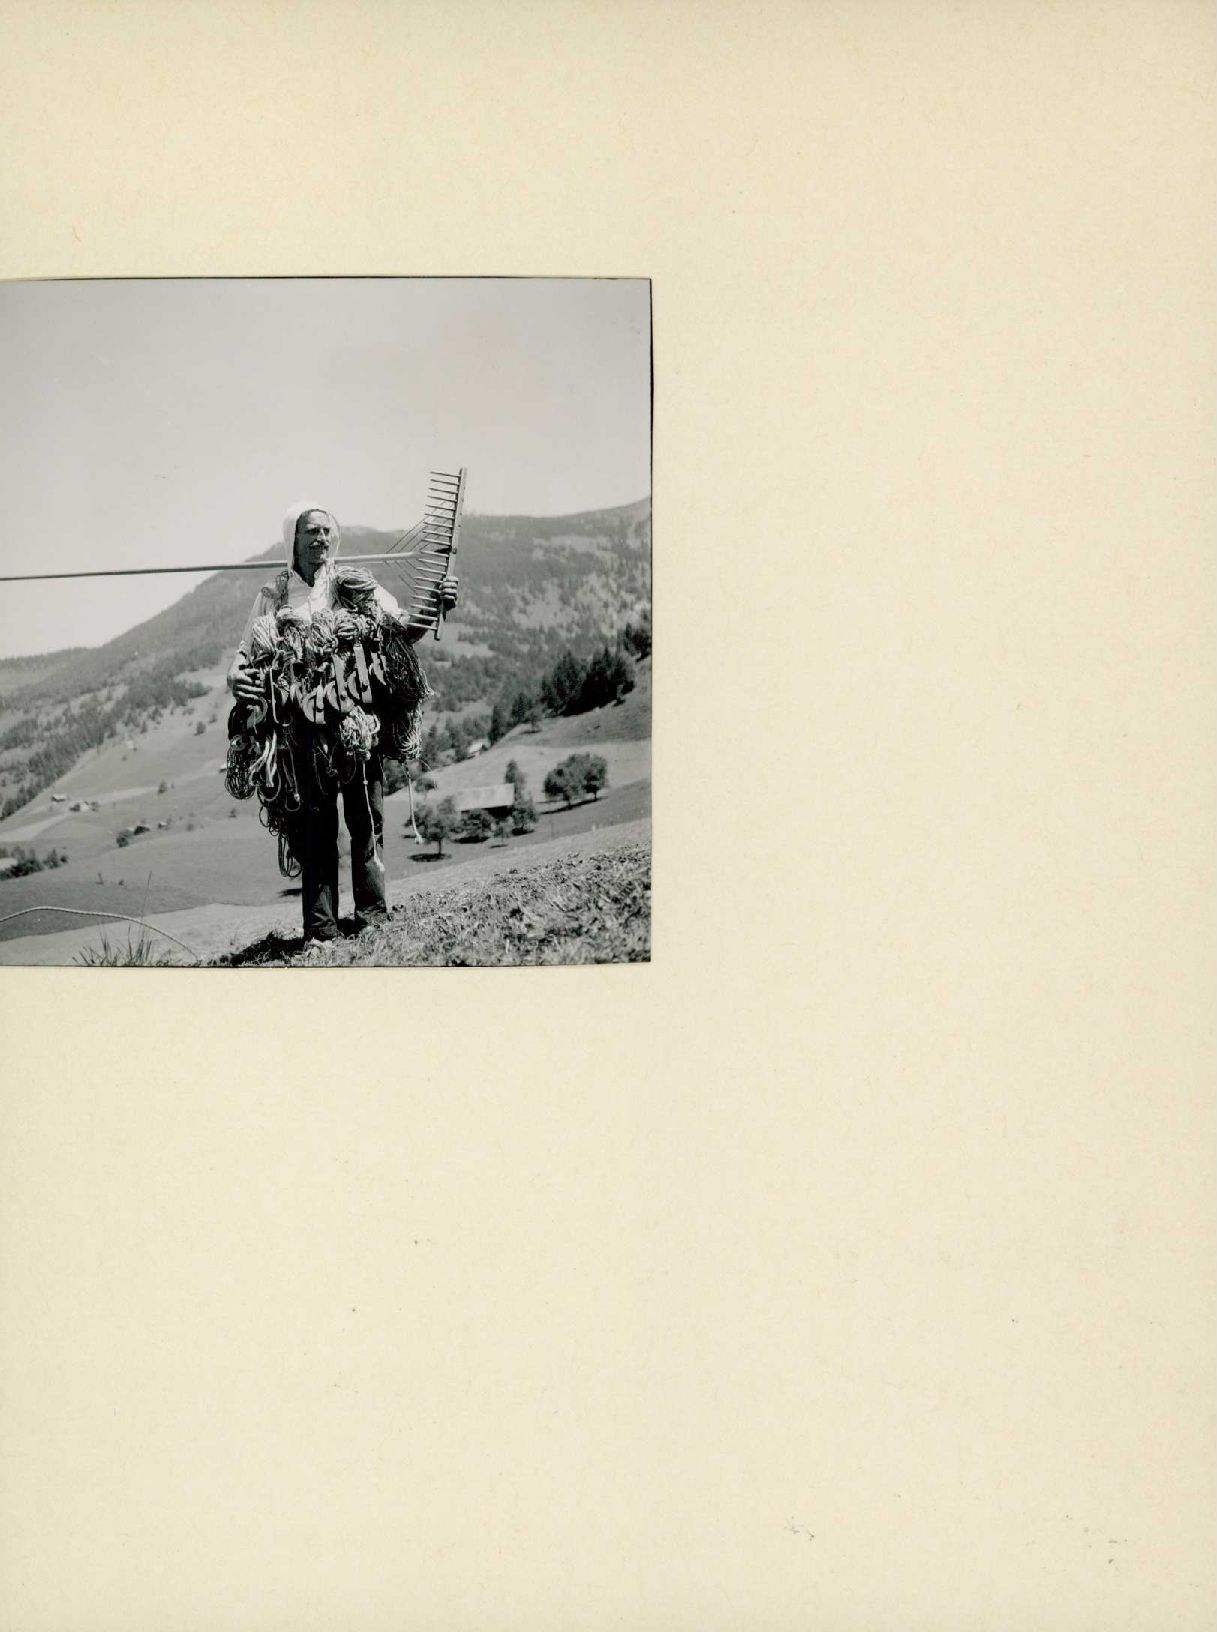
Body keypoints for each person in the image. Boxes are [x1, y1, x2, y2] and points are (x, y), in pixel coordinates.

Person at [228, 506, 457, 945]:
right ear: (292, 540)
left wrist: (436, 602)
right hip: (302, 729)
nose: (322, 538)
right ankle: (321, 929)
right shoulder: (273, 596)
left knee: (367, 818)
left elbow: (403, 628)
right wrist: (233, 677)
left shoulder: (353, 585)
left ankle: (372, 915)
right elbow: (243, 653)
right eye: (311, 531)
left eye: (327, 531)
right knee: (314, 829)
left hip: (357, 724)